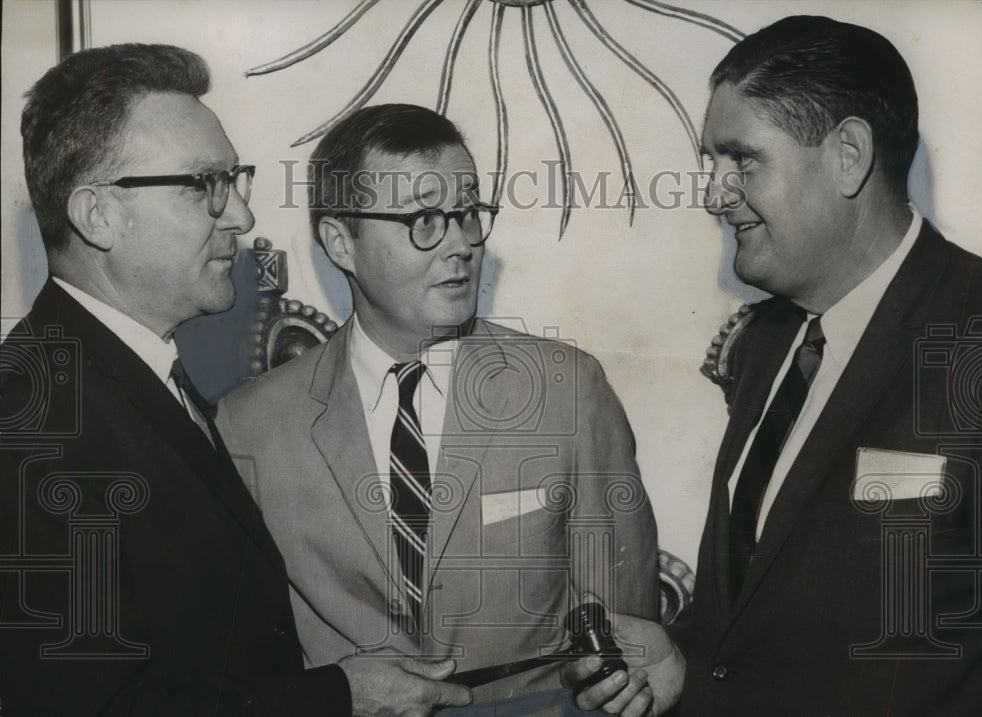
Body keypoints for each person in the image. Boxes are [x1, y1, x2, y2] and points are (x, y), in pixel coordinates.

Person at [0, 44, 471, 716]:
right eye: (203, 184)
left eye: (236, 179)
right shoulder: (32, 418)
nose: (242, 217)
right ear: (96, 213)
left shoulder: (127, 376)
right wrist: (339, 694)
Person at [215, 103, 661, 714]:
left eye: (468, 213)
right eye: (424, 219)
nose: (460, 244)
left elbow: (629, 639)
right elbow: (243, 664)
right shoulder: (248, 425)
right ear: (341, 241)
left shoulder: (568, 389)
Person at [667, 15, 982, 715]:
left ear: (848, 154)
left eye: (742, 160)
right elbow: (767, 604)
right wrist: (677, 653)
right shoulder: (759, 346)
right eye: (711, 163)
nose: (713, 194)